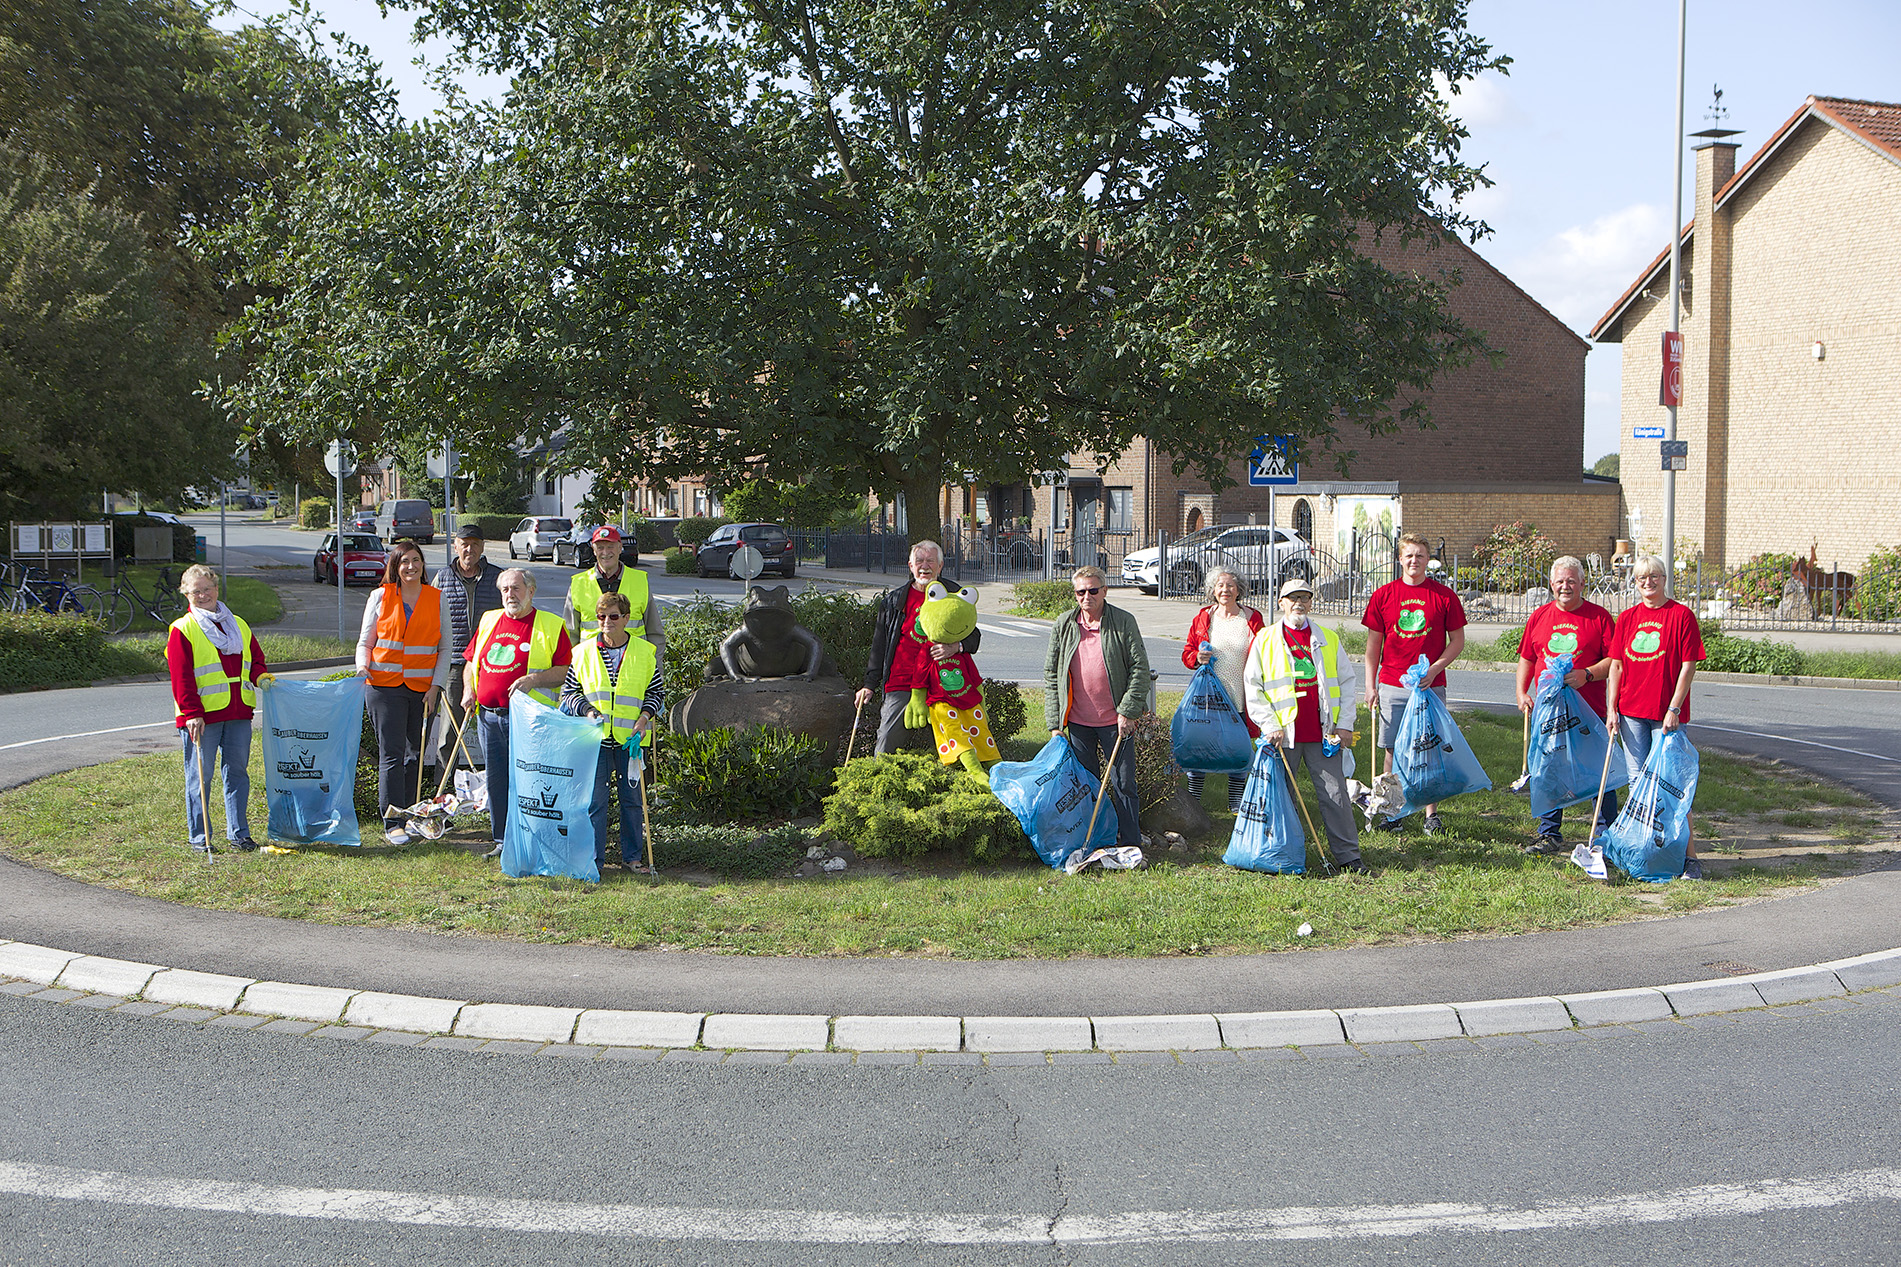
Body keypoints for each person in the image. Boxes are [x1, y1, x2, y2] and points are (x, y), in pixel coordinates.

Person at [1244, 578, 1368, 873]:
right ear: (1281, 602)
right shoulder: (1266, 639)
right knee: (1282, 797)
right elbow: (1253, 687)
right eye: (1292, 597)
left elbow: (1347, 684)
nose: (1299, 602)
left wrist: (1345, 725)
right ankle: (1283, 855)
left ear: (1311, 603)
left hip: (1323, 733)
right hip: (1283, 736)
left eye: (1304, 597)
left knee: (1335, 794)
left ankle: (1349, 856)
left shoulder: (1328, 638)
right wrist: (1269, 724)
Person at [1607, 554, 1708, 878]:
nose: (1648, 583)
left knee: (1672, 785)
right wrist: (1611, 708)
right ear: (1634, 583)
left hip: (1666, 716)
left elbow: (1688, 665)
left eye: (1654, 577)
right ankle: (1648, 850)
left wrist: (1674, 708)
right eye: (1641, 579)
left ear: (1664, 579)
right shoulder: (1627, 618)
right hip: (1631, 713)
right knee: (1638, 786)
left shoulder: (1680, 616)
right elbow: (1617, 666)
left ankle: (1690, 857)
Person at [461, 567, 573, 858]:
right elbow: (471, 662)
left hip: (530, 720)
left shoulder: (550, 625)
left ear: (531, 592)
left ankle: (535, 840)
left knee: (531, 781)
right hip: (488, 716)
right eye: (505, 590)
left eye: (516, 589)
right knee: (497, 780)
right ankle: (503, 840)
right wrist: (468, 691)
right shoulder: (489, 619)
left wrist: (533, 680)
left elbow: (565, 670)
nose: (510, 595)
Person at [1361, 532, 1467, 834]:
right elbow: (1373, 647)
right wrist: (1370, 686)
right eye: (1408, 555)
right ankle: (1392, 811)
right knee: (1392, 749)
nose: (1414, 561)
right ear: (1400, 559)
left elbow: (1457, 641)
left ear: (1427, 560)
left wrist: (1435, 669)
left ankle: (1430, 814)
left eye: (1420, 555)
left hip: (1429, 687)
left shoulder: (1444, 596)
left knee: (1429, 749)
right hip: (1393, 684)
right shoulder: (1384, 595)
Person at [1515, 556, 1617, 855]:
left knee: (1598, 770)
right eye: (1560, 581)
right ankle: (1549, 833)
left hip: (1589, 710)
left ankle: (1605, 830)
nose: (1565, 586)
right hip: (1549, 711)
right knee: (1549, 769)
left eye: (1571, 581)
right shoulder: (1539, 617)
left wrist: (1587, 675)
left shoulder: (1598, 617)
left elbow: (1614, 660)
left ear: (1582, 584)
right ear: (1551, 584)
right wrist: (1522, 693)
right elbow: (1526, 658)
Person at [1043, 565, 1151, 848]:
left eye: (1093, 590)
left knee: (1124, 784)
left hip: (1116, 721)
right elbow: (1051, 674)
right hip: (1079, 722)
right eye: (1081, 591)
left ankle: (1130, 844)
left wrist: (1128, 711)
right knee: (1086, 787)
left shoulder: (1123, 621)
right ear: (1075, 594)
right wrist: (1055, 724)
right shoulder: (1065, 624)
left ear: (1105, 591)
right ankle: (1093, 840)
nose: (1087, 596)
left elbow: (1140, 668)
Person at [355, 538, 454, 845]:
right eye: (404, 561)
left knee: (415, 755)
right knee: (392, 755)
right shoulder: (380, 597)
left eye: (416, 560)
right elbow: (365, 642)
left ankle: (411, 816)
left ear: (423, 564)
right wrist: (361, 670)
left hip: (422, 690)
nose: (411, 566)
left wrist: (436, 686)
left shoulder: (436, 598)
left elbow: (445, 647)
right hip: (384, 688)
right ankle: (392, 820)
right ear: (395, 567)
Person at [560, 592, 666, 873]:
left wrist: (644, 719)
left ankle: (632, 858)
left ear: (626, 619)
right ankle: (594, 861)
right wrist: (587, 711)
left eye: (613, 616)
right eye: (601, 616)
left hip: (631, 740)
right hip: (595, 740)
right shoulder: (582, 652)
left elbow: (656, 692)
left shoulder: (644, 652)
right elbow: (569, 692)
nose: (606, 621)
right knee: (595, 802)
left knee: (632, 801)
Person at [166, 563, 268, 853]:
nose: (203, 595)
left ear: (216, 589)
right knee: (200, 776)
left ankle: (239, 834)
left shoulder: (238, 623)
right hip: (202, 718)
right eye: (195, 591)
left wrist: (262, 677)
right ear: (186, 594)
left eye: (207, 589)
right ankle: (201, 838)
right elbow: (181, 677)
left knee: (237, 774)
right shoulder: (182, 629)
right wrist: (192, 713)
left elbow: (255, 660)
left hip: (238, 712)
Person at [856, 540, 981, 755]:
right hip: (902, 682)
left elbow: (974, 636)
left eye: (931, 561)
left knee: (957, 746)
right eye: (919, 561)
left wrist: (955, 647)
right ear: (910, 566)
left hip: (945, 682)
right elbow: (880, 645)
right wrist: (869, 684)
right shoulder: (894, 600)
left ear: (940, 566)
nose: (925, 566)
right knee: (886, 742)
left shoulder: (954, 594)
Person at [1180, 568, 1265, 811]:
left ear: (1239, 589)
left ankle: (1236, 802)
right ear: (1212, 590)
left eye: (1230, 585)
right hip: (1208, 699)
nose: (1225, 590)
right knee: (1200, 746)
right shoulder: (1203, 618)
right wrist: (1197, 656)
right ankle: (1194, 802)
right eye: (1219, 586)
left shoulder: (1252, 618)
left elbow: (1264, 654)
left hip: (1240, 696)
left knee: (1238, 749)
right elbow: (1187, 655)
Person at [432, 523, 504, 772]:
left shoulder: (497, 577)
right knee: (449, 732)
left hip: (491, 663)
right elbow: (431, 619)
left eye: (474, 544)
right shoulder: (442, 577)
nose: (469, 549)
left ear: (482, 547)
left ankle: (493, 786)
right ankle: (444, 789)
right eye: (464, 544)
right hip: (454, 664)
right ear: (455, 546)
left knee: (494, 728)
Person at [564, 526, 664, 658]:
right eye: (600, 547)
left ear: (619, 548)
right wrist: (572, 670)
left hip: (634, 662)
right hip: (591, 664)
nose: (605, 552)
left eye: (610, 546)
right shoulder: (579, 583)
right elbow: (569, 635)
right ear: (594, 550)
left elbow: (654, 632)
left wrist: (656, 669)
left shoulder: (639, 580)